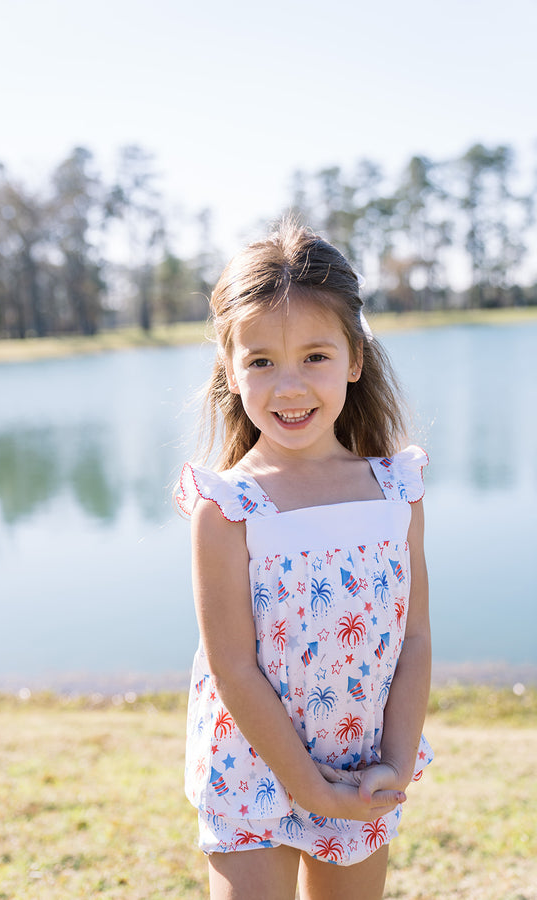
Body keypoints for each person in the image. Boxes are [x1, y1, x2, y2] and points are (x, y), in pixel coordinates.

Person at [177, 220, 432, 900]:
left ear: (354, 358)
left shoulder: (395, 490)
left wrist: (395, 766)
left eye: (314, 356)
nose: (288, 386)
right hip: (254, 765)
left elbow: (413, 638)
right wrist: (305, 785)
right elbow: (232, 665)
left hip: (359, 762)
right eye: (261, 361)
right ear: (231, 370)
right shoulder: (227, 505)